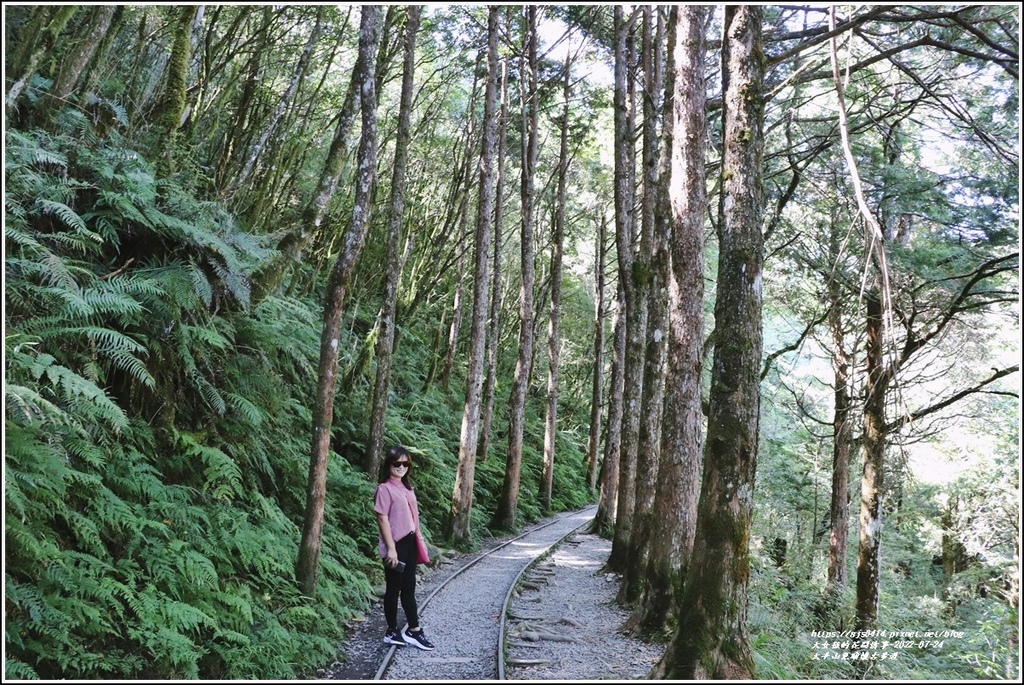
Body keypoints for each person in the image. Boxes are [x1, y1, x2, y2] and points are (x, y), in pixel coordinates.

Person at [374, 445, 436, 651]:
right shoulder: (385, 488)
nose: (402, 467)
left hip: (409, 542)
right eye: (397, 463)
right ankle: (392, 631)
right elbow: (382, 519)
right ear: (389, 464)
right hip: (396, 544)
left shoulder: (407, 488)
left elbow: (413, 518)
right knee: (393, 589)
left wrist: (420, 539)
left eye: (406, 463)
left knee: (409, 588)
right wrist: (391, 549)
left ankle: (413, 630)